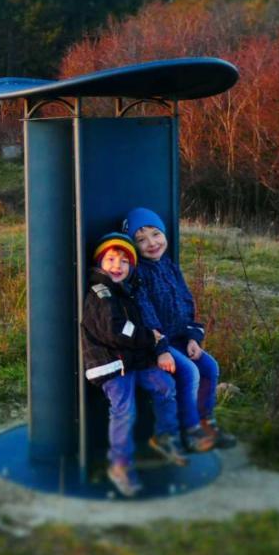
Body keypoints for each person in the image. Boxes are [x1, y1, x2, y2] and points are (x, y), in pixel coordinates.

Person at [82, 232, 189, 498]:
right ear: (100, 262)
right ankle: (119, 464)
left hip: (133, 360)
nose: (118, 266)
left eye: (124, 261)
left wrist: (156, 344)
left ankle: (165, 436)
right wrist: (148, 337)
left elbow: (140, 323)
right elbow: (115, 331)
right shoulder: (101, 292)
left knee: (165, 385)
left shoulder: (128, 290)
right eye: (111, 259)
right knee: (124, 410)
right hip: (110, 364)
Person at [123, 207, 236, 451]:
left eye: (155, 234)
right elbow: (146, 313)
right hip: (158, 343)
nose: (151, 243)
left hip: (179, 338)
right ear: (133, 245)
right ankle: (190, 430)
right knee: (189, 372)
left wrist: (193, 336)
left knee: (209, 367)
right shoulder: (138, 274)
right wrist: (161, 348)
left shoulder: (170, 266)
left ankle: (206, 421)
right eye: (141, 239)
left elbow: (186, 303)